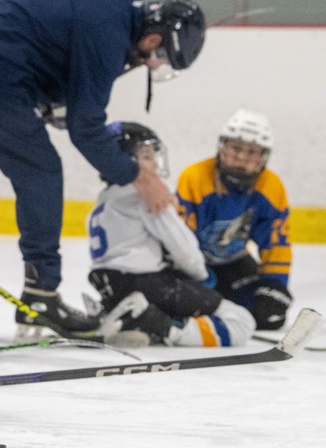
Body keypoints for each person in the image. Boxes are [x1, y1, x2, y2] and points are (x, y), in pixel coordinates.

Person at [0, 0, 206, 336]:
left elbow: (42, 45)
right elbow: (86, 128)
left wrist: (46, 96)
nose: (153, 66)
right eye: (160, 58)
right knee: (40, 170)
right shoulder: (110, 34)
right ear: (153, 39)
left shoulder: (111, 9)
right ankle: (41, 294)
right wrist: (139, 176)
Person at [86, 122, 256, 346]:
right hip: (146, 283)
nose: (155, 163)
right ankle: (161, 326)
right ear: (122, 160)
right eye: (146, 156)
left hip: (108, 284)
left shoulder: (105, 198)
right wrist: (200, 277)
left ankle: (123, 316)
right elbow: (184, 249)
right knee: (242, 322)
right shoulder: (148, 194)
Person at [177, 109, 292, 331]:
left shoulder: (271, 187)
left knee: (271, 314)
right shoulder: (194, 178)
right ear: (222, 147)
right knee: (185, 304)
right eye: (236, 148)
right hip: (195, 266)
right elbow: (181, 242)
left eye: (251, 152)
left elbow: (276, 243)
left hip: (235, 263)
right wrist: (197, 283)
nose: (241, 158)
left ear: (263, 158)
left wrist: (275, 284)